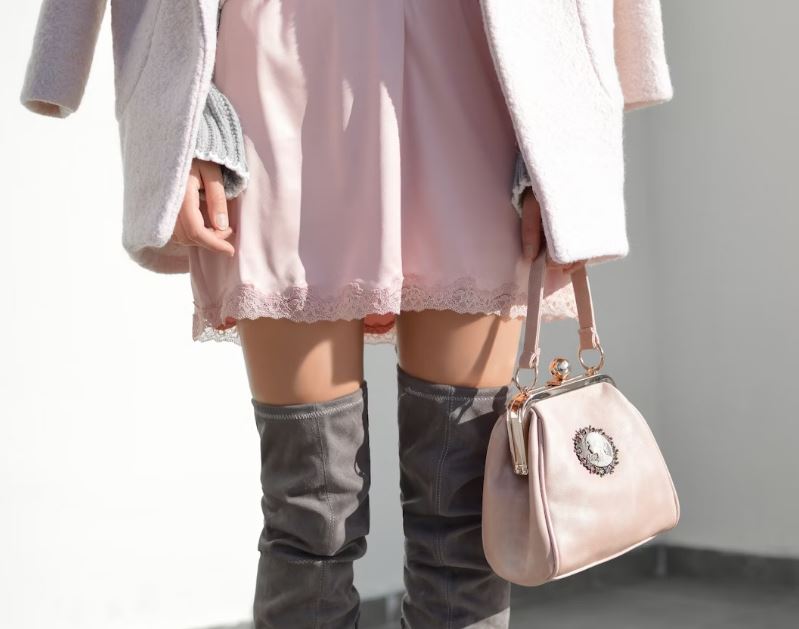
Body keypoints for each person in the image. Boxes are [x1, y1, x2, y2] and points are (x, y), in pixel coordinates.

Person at [20, 1, 673, 626]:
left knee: (464, 515)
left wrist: (564, 122)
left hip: (475, 71)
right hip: (274, 82)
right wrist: (187, 112)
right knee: (310, 515)